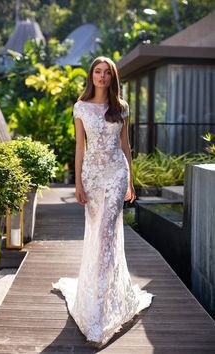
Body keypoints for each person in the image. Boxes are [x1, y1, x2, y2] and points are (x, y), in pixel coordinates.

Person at [52, 56, 154, 348]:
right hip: (93, 178)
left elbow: (125, 146)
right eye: (97, 71)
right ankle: (97, 296)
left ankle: (98, 318)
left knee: (107, 235)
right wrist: (78, 183)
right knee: (97, 236)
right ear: (91, 76)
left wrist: (131, 180)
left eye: (106, 73)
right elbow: (79, 147)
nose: (101, 76)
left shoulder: (121, 107)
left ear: (112, 78)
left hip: (116, 173)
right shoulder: (81, 107)